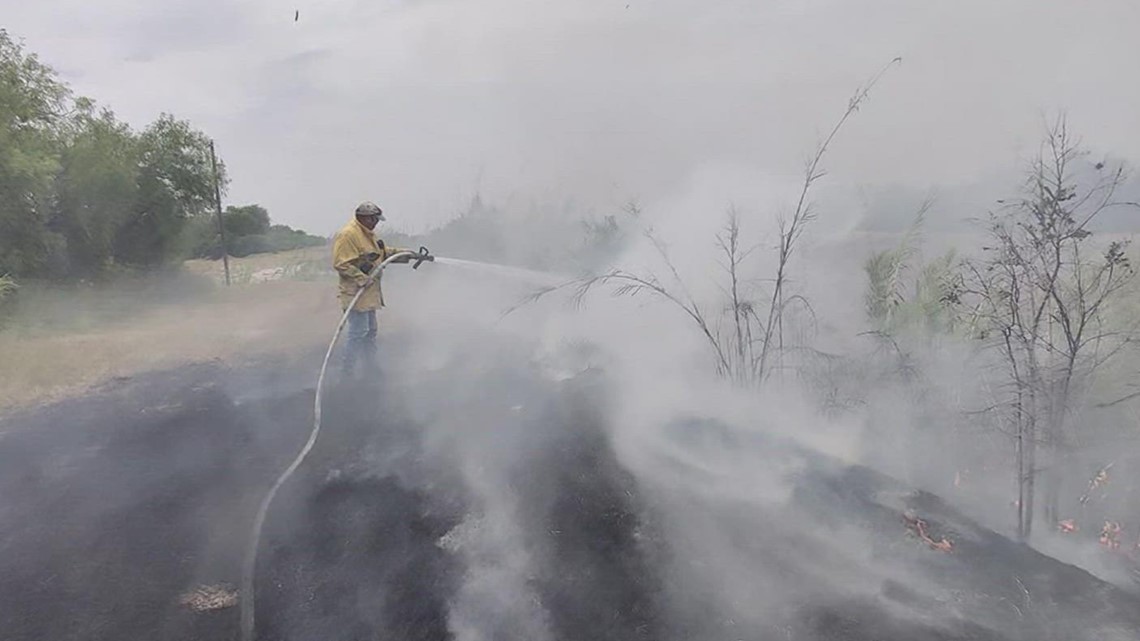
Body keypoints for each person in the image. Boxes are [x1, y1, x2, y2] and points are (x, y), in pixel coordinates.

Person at [331, 201, 421, 376]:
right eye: (374, 219)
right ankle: (347, 371)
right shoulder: (348, 235)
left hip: (370, 293)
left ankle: (370, 368)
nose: (376, 222)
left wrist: (409, 254)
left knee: (370, 332)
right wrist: (360, 277)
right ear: (365, 218)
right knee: (358, 333)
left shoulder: (368, 234)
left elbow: (383, 253)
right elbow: (340, 263)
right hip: (356, 292)